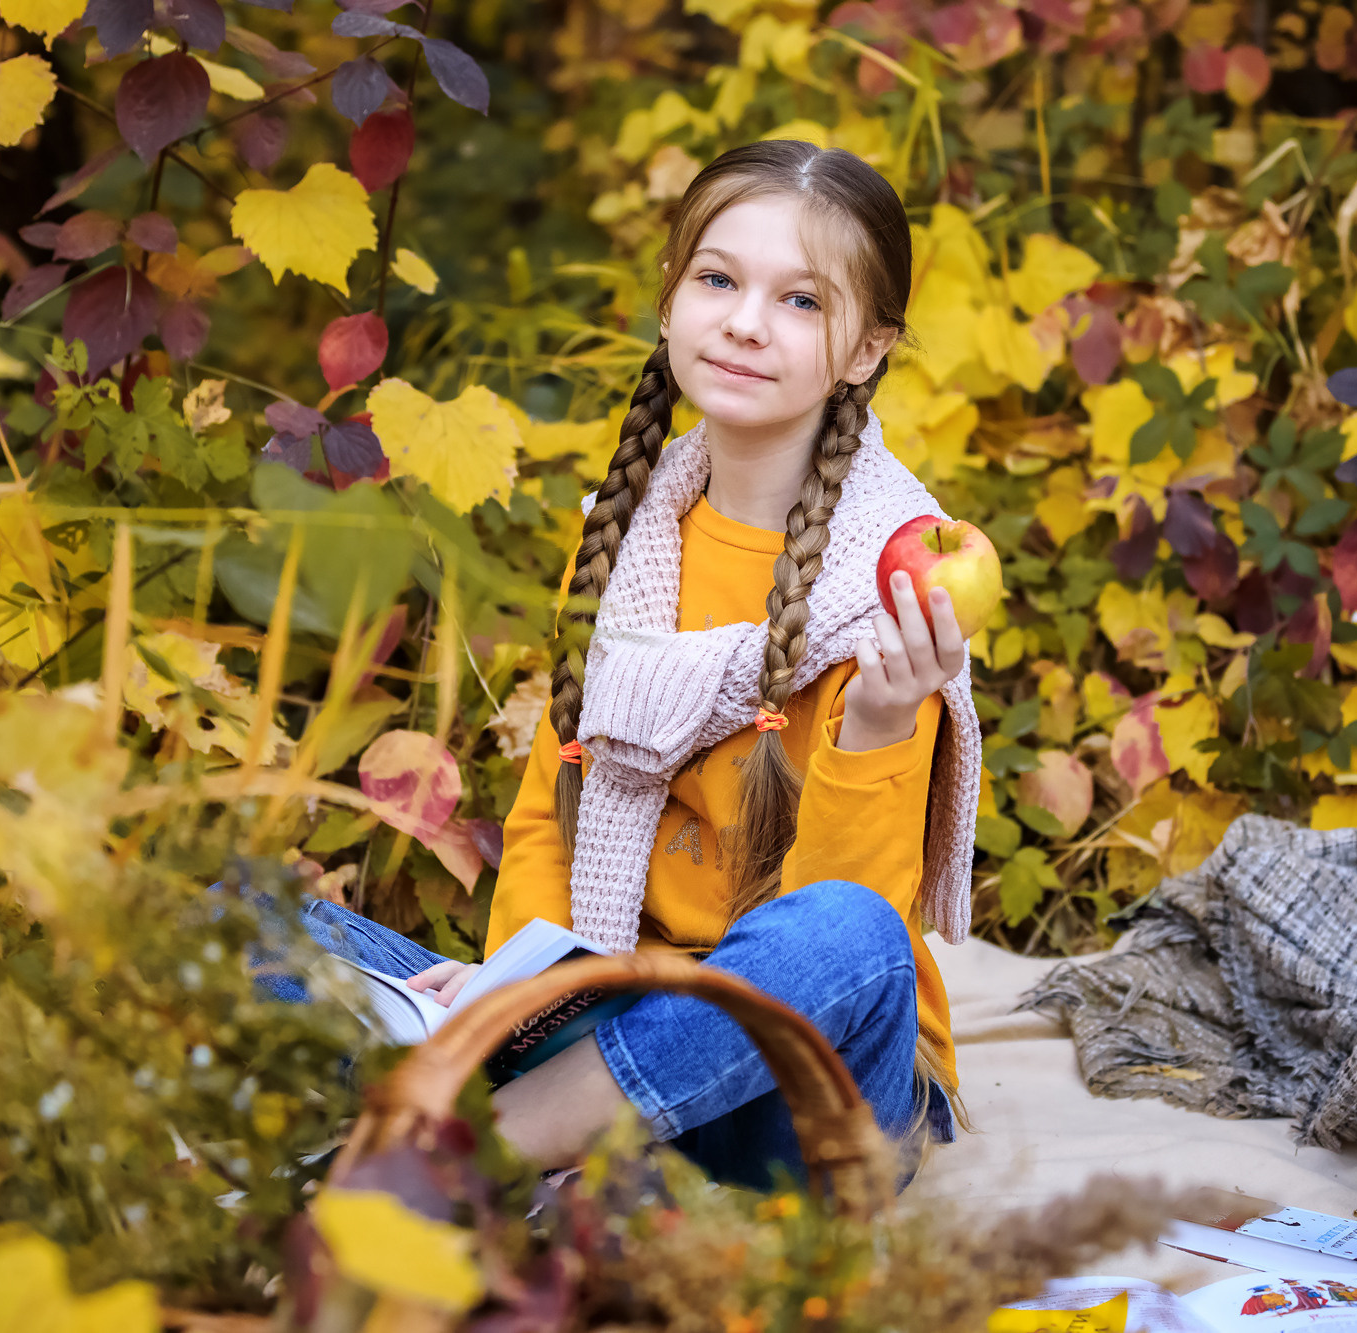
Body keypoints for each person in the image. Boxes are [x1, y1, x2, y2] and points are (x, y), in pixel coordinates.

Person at [292, 138, 984, 1191]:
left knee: (840, 934)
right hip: (602, 1029)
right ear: (669, 306)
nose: (746, 321)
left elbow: (850, 932)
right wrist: (510, 990)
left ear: (865, 349)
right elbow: (544, 806)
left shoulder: (882, 579)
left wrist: (883, 726)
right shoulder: (624, 538)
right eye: (716, 280)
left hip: (802, 1095)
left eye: (801, 301)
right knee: (226, 900)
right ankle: (533, 1133)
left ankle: (464, 1151)